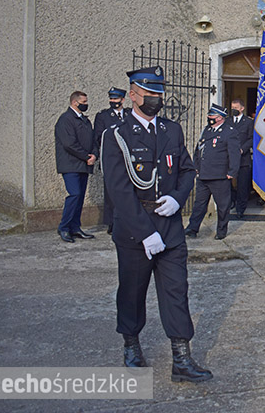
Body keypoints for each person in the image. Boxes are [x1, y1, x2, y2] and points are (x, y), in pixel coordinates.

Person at [101, 66, 212, 383]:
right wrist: (145, 232)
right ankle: (131, 345)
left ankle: (181, 358)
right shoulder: (116, 136)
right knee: (133, 293)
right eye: (149, 94)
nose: (155, 99)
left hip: (171, 228)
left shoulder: (171, 130)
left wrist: (178, 198)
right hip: (136, 231)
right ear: (133, 95)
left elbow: (188, 171)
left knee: (177, 293)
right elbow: (119, 189)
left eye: (159, 93)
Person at [185, 104, 240, 240]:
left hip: (219, 175)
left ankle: (221, 231)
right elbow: (199, 150)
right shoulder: (207, 130)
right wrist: (195, 166)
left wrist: (232, 172)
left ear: (220, 118)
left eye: (212, 116)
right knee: (199, 204)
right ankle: (192, 228)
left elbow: (234, 154)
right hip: (203, 174)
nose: (210, 118)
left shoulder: (229, 132)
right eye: (209, 115)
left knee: (222, 206)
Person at [54, 91, 97, 243]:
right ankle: (64, 227)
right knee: (74, 194)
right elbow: (69, 144)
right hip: (71, 164)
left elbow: (92, 140)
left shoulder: (85, 120)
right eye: (84, 101)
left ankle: (75, 227)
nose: (86, 104)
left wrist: (94, 155)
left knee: (79, 198)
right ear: (74, 102)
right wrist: (86, 157)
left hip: (83, 165)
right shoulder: (65, 120)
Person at [94, 87, 131, 234]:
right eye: (111, 99)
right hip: (111, 160)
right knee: (111, 193)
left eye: (116, 99)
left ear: (122, 99)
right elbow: (98, 137)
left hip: (128, 160)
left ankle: (127, 220)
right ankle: (112, 223)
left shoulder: (129, 114)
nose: (113, 101)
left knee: (128, 192)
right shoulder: (103, 117)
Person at [228, 98, 254, 219]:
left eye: (236, 108)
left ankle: (241, 209)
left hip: (243, 159)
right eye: (232, 108)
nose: (233, 110)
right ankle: (232, 201)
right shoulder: (228, 121)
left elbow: (251, 139)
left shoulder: (248, 122)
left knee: (243, 185)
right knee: (228, 183)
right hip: (229, 159)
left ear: (242, 108)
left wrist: (242, 149)